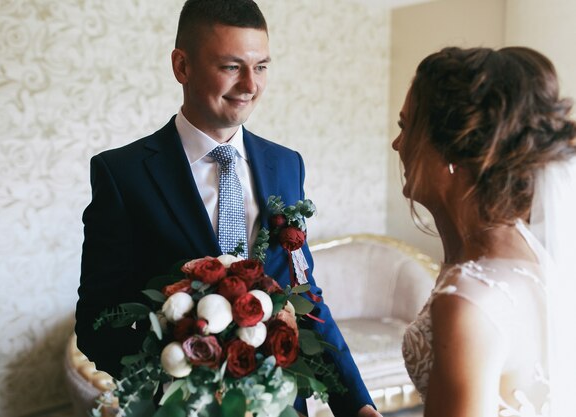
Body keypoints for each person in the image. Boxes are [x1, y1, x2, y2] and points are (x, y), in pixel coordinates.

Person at [75, 1, 380, 416]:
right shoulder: (122, 174)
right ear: (182, 66)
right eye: (232, 67)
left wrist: (356, 406)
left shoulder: (286, 164)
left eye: (262, 66)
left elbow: (304, 296)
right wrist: (178, 374)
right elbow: (97, 322)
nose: (250, 85)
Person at [393, 46, 576, 417]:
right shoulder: (525, 247)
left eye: (406, 127)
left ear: (451, 152)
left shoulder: (468, 297)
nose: (398, 144)